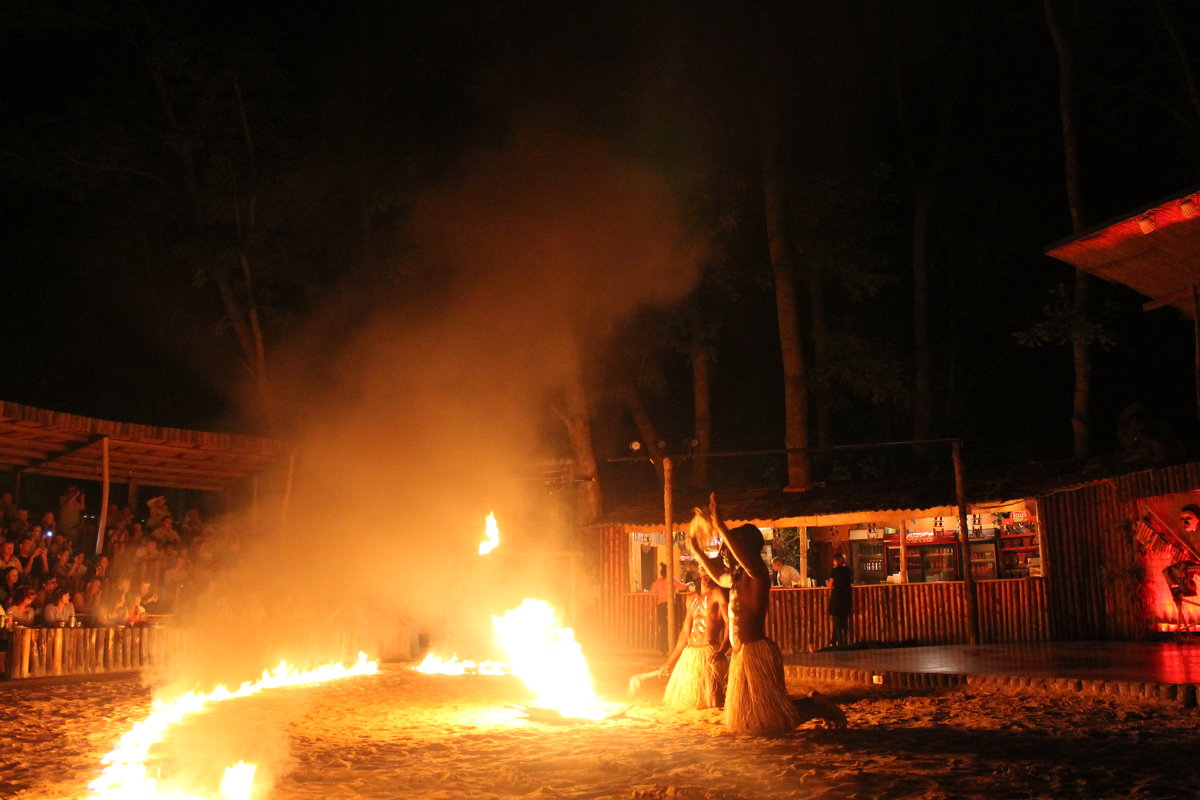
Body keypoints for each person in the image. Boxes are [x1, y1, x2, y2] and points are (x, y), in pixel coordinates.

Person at [689, 494, 845, 735]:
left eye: (732, 549)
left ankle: (816, 706)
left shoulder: (756, 573)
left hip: (756, 651)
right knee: (752, 721)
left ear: (745, 549)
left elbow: (740, 556)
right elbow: (718, 576)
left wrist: (720, 525)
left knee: (772, 720)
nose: (727, 553)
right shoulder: (736, 579)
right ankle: (813, 704)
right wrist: (696, 549)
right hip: (742, 654)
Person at [659, 573, 730, 710]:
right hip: (691, 653)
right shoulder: (691, 599)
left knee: (713, 701)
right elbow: (685, 632)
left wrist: (723, 649)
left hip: (709, 650)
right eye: (705, 576)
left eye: (711, 576)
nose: (708, 579)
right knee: (690, 702)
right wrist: (670, 661)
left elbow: (729, 623)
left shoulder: (717, 594)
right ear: (699, 577)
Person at [648, 562, 689, 653]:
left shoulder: (658, 582)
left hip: (661, 606)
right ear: (669, 572)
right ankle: (670, 647)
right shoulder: (672, 580)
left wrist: (658, 594)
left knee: (663, 627)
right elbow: (683, 587)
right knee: (671, 626)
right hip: (670, 605)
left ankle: (662, 649)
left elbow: (651, 593)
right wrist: (690, 584)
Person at [828, 552, 853, 647]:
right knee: (843, 622)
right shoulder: (847, 570)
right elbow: (850, 582)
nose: (833, 562)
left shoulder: (834, 571)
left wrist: (829, 585)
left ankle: (840, 644)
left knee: (837, 622)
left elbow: (830, 585)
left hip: (837, 599)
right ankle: (834, 642)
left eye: (834, 561)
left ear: (837, 561)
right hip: (846, 598)